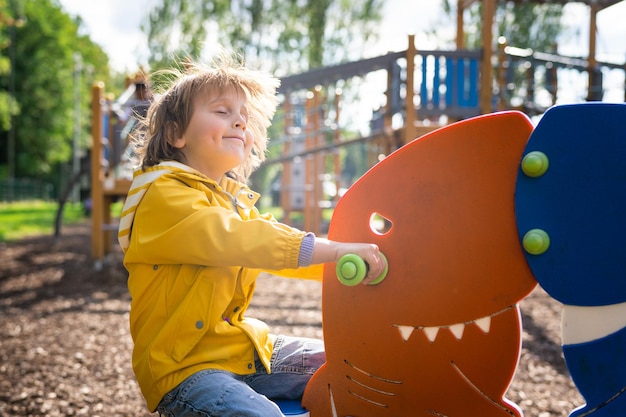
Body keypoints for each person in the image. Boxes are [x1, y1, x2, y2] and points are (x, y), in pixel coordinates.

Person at [117, 51, 385, 417]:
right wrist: (334, 251)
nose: (240, 123)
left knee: (353, 365)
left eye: (244, 117)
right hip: (184, 370)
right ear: (176, 133)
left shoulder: (230, 199)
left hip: (242, 350)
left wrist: (347, 260)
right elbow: (245, 240)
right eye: (223, 112)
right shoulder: (163, 196)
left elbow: (275, 244)